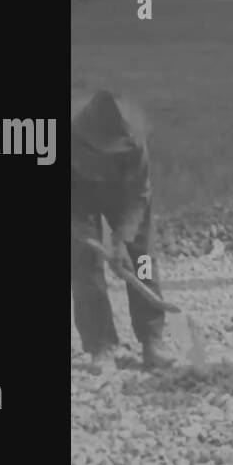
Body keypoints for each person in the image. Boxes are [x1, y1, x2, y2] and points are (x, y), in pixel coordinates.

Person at [70, 90, 174, 372]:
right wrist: (78, 227)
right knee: (84, 263)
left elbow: (140, 193)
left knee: (142, 261)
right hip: (79, 194)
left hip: (126, 194)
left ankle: (152, 340)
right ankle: (100, 346)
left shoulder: (134, 142)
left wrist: (121, 240)